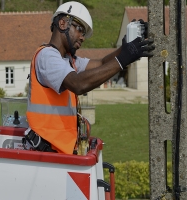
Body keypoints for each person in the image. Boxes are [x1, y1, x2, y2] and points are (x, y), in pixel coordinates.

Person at [24, 1, 155, 154]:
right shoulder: (47, 56)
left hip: (59, 152)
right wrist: (123, 58)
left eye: (84, 33)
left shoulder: (68, 60)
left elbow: (101, 63)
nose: (82, 37)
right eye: (79, 29)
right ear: (62, 23)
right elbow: (77, 84)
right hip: (46, 154)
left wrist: (126, 47)